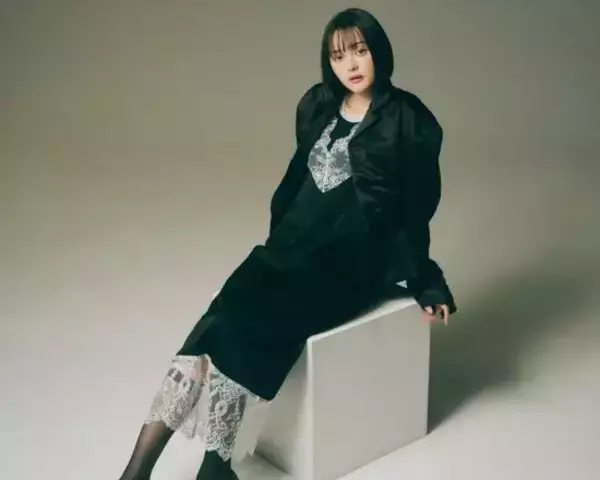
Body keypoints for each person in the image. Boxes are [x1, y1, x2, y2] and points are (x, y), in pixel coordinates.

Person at [117, 7, 457, 480]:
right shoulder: (318, 106)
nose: (351, 65)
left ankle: (213, 466)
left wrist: (425, 279)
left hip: (347, 267)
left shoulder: (409, 120)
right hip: (288, 250)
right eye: (338, 56)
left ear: (379, 51)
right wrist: (281, 241)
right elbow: (297, 184)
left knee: (247, 321)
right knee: (220, 320)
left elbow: (415, 209)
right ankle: (143, 472)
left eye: (360, 51)